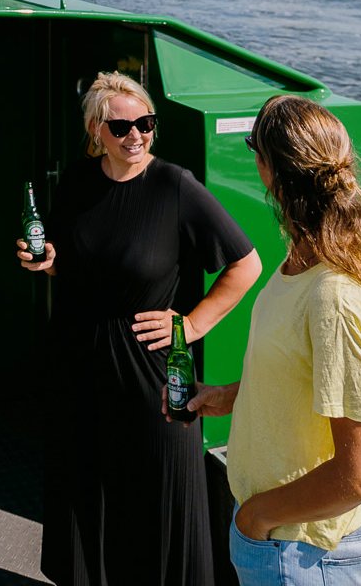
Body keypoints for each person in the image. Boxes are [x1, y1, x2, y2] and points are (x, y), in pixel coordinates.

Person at [17, 70, 263, 585]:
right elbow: (71, 260)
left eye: (146, 124)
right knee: (87, 493)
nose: (136, 137)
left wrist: (193, 325)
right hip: (79, 364)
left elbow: (246, 264)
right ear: (96, 132)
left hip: (151, 375)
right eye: (122, 127)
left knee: (157, 502)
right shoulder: (77, 184)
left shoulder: (176, 186)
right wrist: (48, 263)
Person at [179, 95, 361, 586]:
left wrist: (255, 517)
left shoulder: (334, 297)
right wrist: (230, 396)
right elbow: (298, 376)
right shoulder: (302, 258)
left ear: (269, 169)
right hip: (281, 538)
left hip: (303, 553)